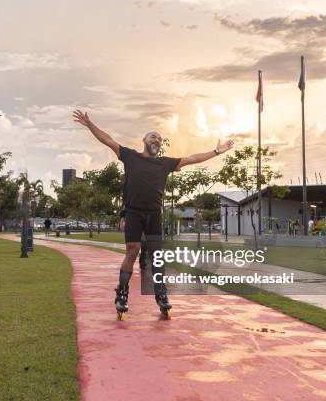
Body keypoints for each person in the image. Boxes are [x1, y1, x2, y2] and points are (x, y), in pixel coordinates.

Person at [73, 109, 234, 319]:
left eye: (159, 138)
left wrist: (216, 151)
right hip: (133, 213)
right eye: (153, 136)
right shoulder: (130, 156)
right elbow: (108, 140)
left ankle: (161, 294)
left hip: (154, 214)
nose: (156, 139)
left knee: (157, 257)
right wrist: (90, 124)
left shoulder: (165, 163)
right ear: (144, 140)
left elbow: (192, 158)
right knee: (132, 252)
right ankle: (122, 294)